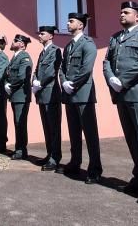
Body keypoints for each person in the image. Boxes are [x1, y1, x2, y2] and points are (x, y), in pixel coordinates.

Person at [103, 1, 138, 204]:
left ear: (137, 17)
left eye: (126, 12)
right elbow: (107, 61)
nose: (121, 14)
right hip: (121, 95)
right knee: (132, 140)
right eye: (120, 12)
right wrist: (111, 79)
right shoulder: (115, 38)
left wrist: (122, 80)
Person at [58, 12, 102, 184]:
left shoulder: (88, 44)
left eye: (71, 21)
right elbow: (62, 68)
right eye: (68, 20)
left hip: (83, 94)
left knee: (90, 133)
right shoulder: (68, 46)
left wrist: (72, 84)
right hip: (69, 95)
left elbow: (86, 68)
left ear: (81, 25)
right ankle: (75, 162)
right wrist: (64, 82)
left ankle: (95, 169)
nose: (68, 23)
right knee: (74, 131)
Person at [33, 25, 62, 171]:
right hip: (42, 94)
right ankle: (49, 153)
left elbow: (51, 71)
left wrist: (40, 83)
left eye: (42, 33)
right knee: (46, 127)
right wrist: (34, 82)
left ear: (50, 36)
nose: (39, 35)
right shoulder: (42, 52)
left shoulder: (55, 50)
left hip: (51, 94)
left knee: (54, 127)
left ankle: (55, 158)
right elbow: (37, 70)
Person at [4, 34, 32, 160]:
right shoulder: (14, 57)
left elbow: (21, 77)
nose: (13, 42)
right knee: (17, 122)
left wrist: (10, 85)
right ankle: (18, 148)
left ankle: (21, 150)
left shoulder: (24, 57)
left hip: (21, 95)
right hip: (15, 95)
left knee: (20, 123)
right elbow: (8, 74)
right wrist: (6, 84)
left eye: (15, 41)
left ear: (22, 44)